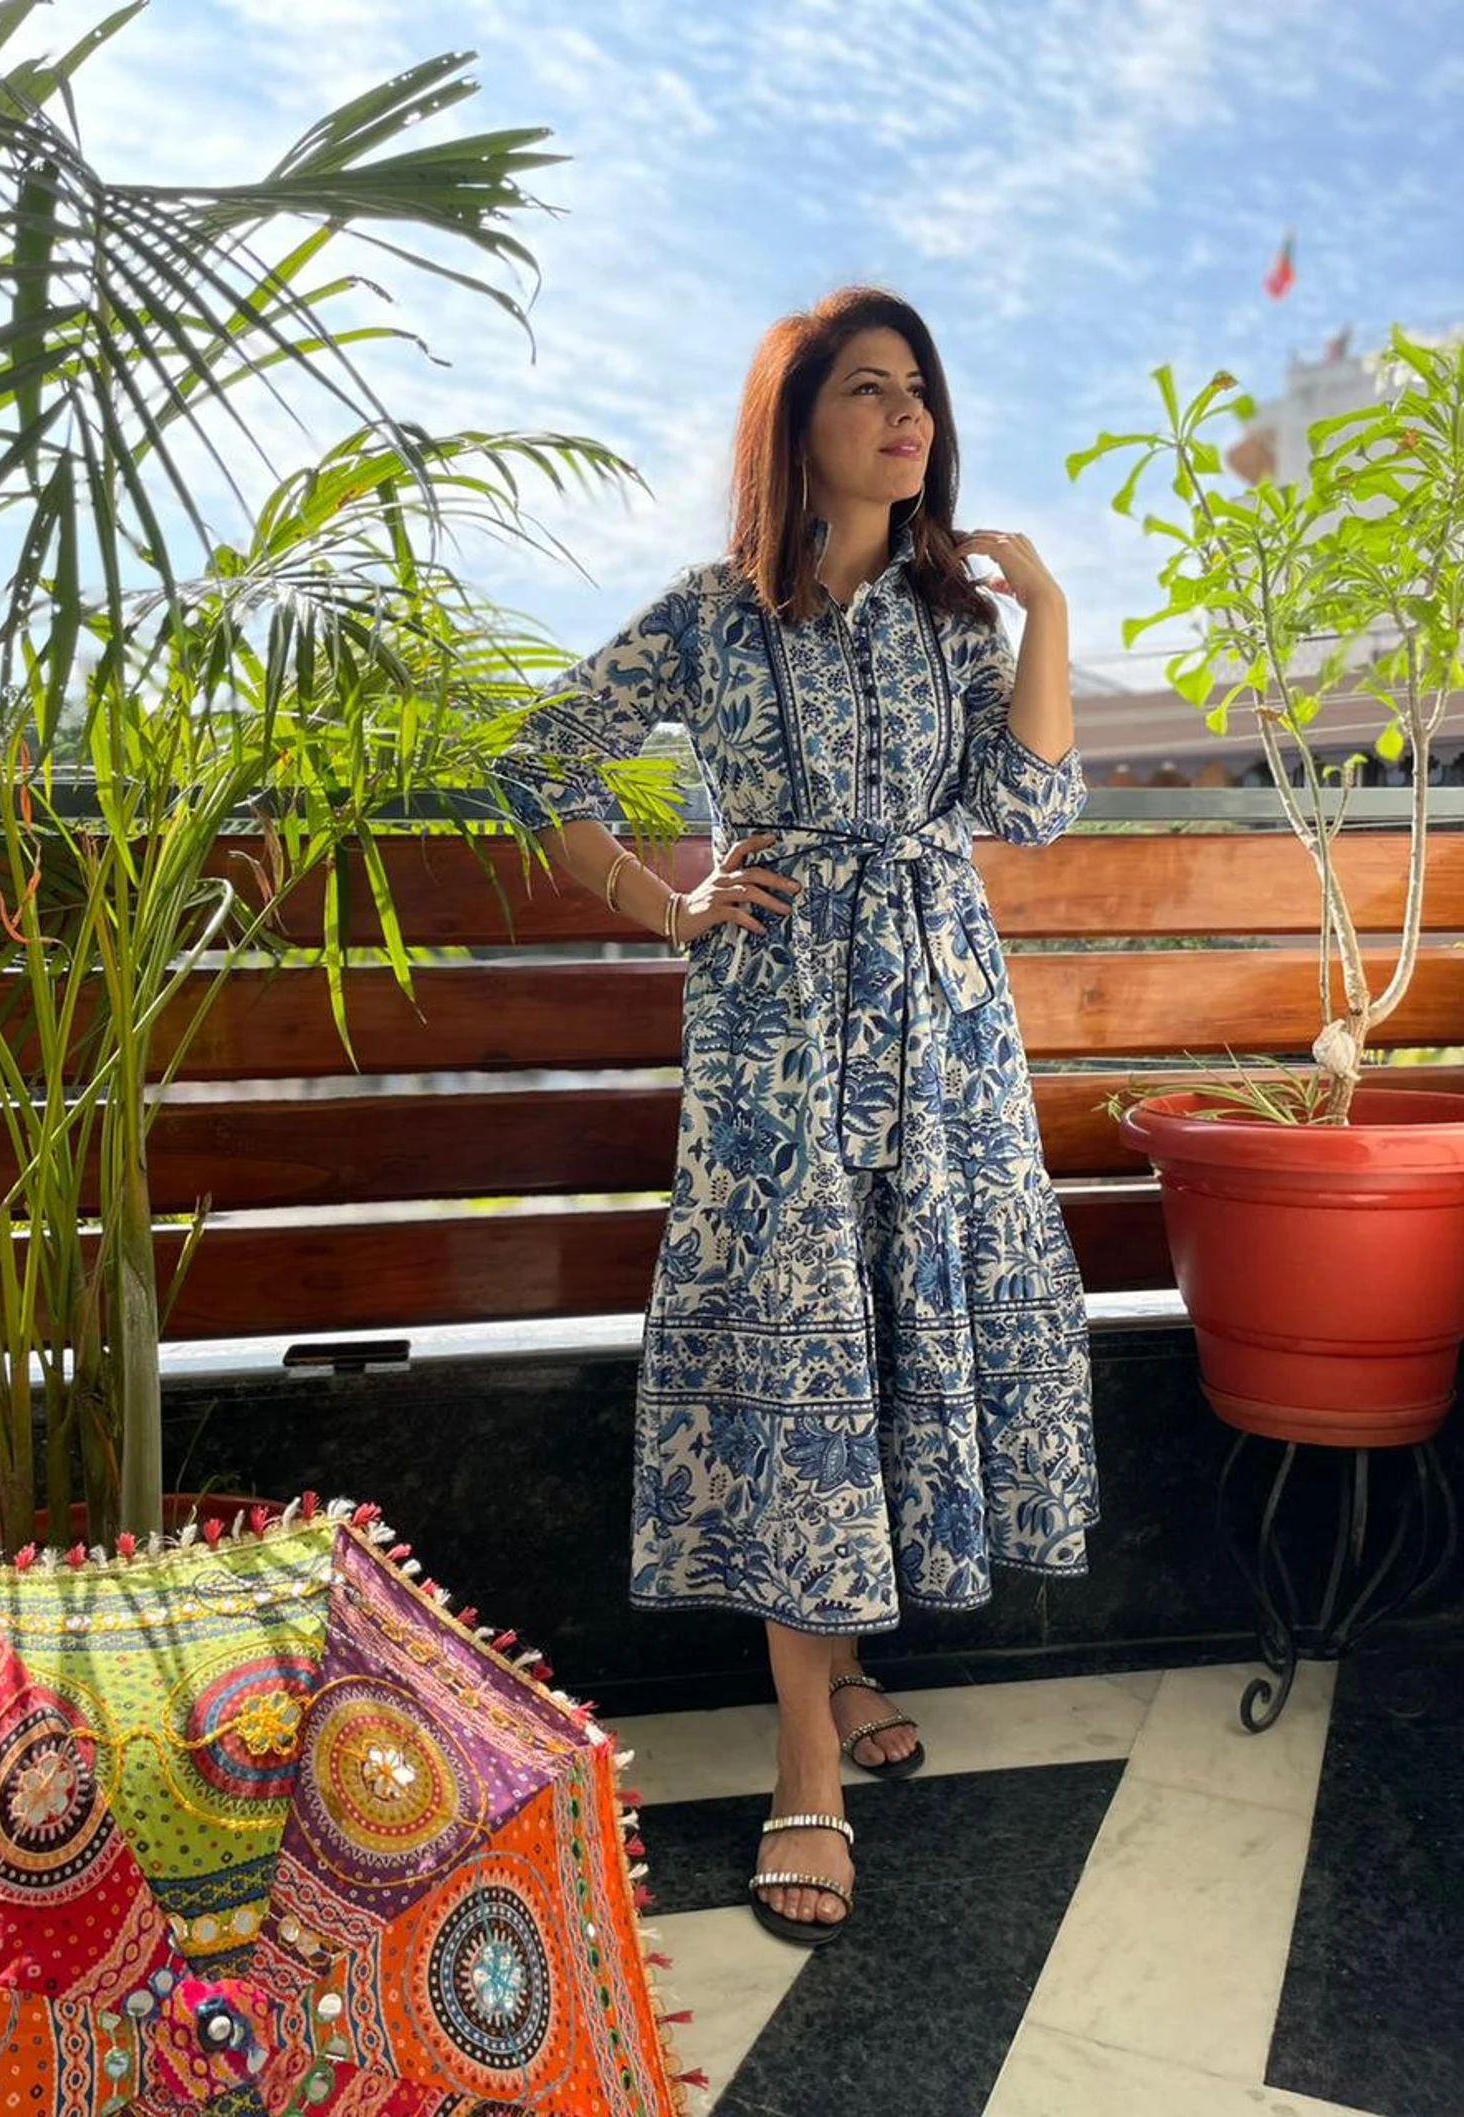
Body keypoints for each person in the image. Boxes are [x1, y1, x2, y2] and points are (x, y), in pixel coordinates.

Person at [495, 286, 1098, 1948]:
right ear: (798, 421)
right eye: (867, 390)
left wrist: (1046, 605)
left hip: (944, 1019)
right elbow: (536, 761)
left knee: (891, 1325)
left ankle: (840, 1666)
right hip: (773, 1030)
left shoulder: (955, 618)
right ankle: (804, 1759)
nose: (906, 417)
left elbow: (1033, 806)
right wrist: (670, 905)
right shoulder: (711, 616)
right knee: (799, 1342)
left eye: (920, 393)